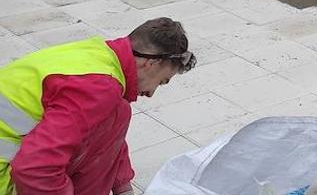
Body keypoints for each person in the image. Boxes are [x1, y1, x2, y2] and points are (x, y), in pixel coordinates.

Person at [0, 18, 195, 195]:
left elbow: (106, 135)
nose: (152, 93)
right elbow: (34, 169)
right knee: (116, 110)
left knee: (118, 111)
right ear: (151, 64)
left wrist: (122, 186)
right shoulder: (98, 87)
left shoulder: (98, 55)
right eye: (162, 82)